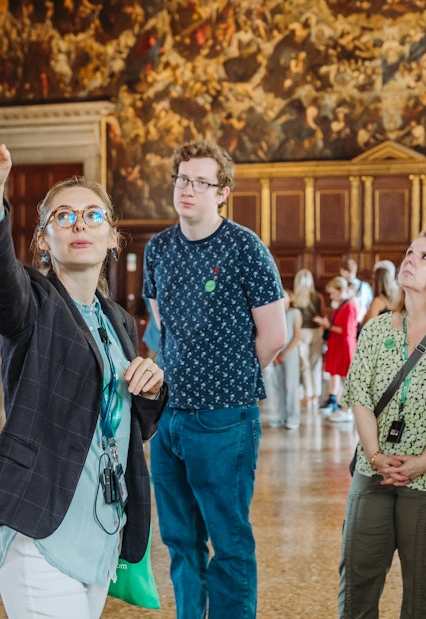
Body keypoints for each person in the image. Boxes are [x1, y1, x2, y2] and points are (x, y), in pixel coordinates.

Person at [0, 105, 168, 619]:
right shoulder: (33, 301)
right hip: (40, 523)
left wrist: (152, 384)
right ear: (43, 241)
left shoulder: (117, 320)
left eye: (93, 215)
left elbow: (130, 424)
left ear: (113, 238)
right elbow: (0, 280)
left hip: (101, 529)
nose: (80, 224)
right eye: (63, 216)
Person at [143, 140, 286, 619]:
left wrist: (228, 378)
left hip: (225, 417)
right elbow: (164, 327)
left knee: (228, 541)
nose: (187, 189)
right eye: (182, 178)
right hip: (170, 418)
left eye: (200, 182)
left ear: (222, 192)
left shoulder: (245, 247)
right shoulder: (158, 247)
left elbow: (274, 335)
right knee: (180, 542)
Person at [338, 232, 426, 617]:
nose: (410, 259)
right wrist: (373, 455)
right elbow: (358, 396)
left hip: (424, 480)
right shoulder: (376, 329)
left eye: (424, 256)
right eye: (409, 251)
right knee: (358, 584)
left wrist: (423, 461)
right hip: (373, 475)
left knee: (421, 592)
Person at [314, 276, 358, 421]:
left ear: (340, 291)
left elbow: (347, 330)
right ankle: (341, 405)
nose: (331, 296)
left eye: (333, 293)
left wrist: (328, 326)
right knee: (338, 375)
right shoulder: (342, 305)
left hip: (344, 346)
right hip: (337, 344)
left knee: (347, 378)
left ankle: (348, 409)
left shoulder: (350, 305)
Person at [262, 289, 302, 429]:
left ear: (290, 298)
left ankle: (293, 417)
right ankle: (281, 416)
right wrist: (274, 354)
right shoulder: (275, 315)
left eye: (284, 295)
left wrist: (285, 353)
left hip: (290, 353)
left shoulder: (295, 313)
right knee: (278, 386)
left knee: (290, 386)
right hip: (277, 353)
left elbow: (297, 335)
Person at [293, 268, 325, 406]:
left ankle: (308, 394)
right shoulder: (318, 296)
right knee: (316, 364)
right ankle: (316, 395)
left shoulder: (295, 298)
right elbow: (322, 314)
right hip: (317, 331)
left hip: (302, 332)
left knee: (304, 365)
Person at [340, 256, 373, 327]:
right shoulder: (365, 286)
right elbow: (370, 303)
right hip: (363, 321)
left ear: (344, 271)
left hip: (348, 321)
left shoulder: (344, 286)